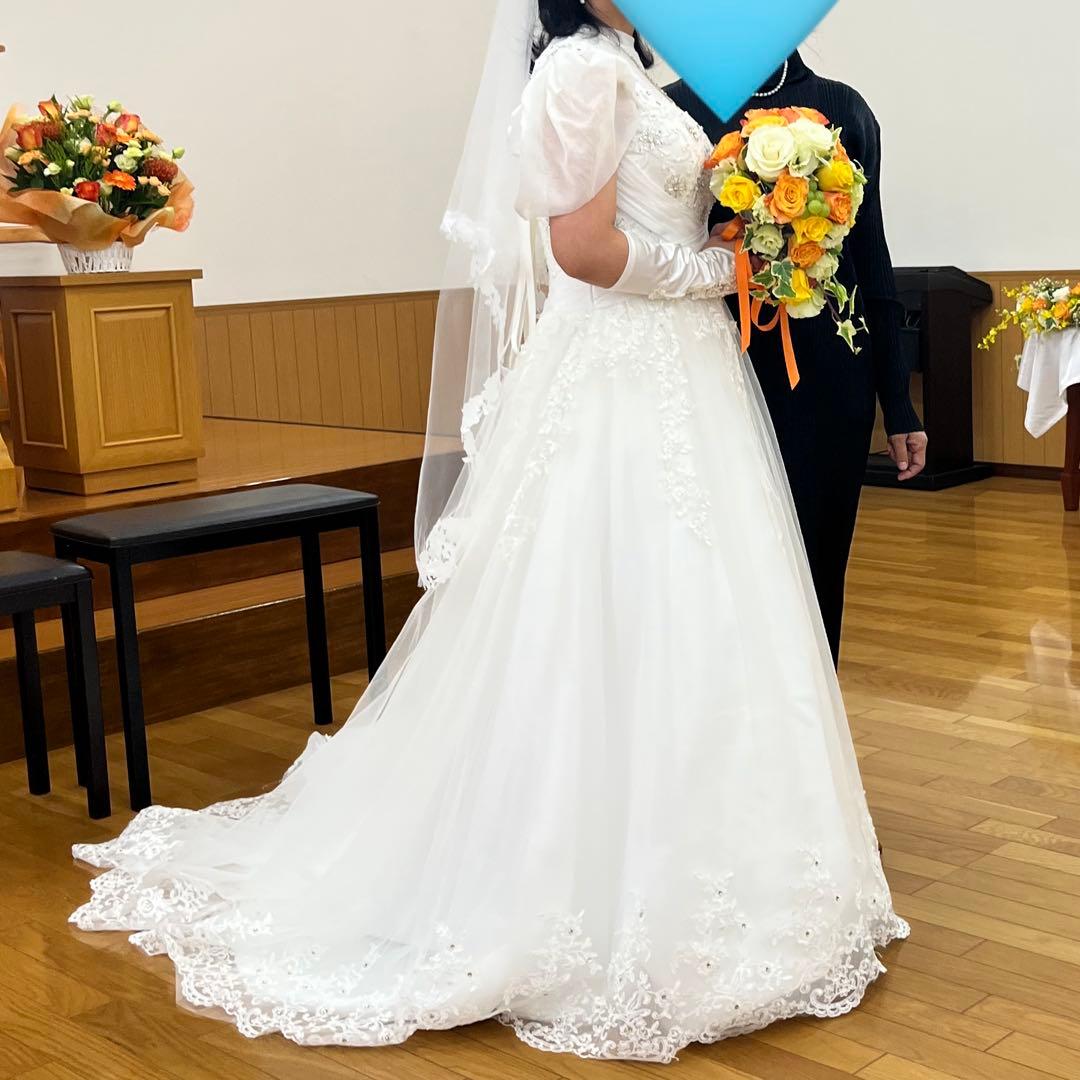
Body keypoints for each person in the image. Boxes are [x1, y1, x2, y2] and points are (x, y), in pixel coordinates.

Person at [70, 1, 907, 1063]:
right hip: (624, 370)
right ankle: (573, 874)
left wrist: (747, 238)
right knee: (606, 602)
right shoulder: (582, 73)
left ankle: (720, 853)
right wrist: (716, 273)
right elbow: (583, 250)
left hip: (681, 374)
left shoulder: (622, 70)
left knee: (698, 607)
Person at [669, 56, 927, 665]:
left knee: (818, 563)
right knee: (721, 566)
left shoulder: (844, 107)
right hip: (716, 365)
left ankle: (816, 710)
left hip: (830, 374)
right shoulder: (675, 108)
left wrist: (897, 402)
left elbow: (872, 258)